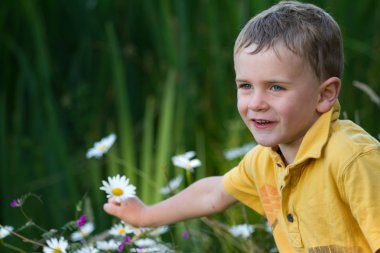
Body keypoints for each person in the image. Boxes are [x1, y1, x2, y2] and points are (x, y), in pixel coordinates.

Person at [103, 1, 380, 252]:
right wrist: (145, 216)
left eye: (275, 87)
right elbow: (214, 194)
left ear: (324, 95)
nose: (256, 103)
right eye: (245, 86)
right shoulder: (264, 161)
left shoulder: (352, 158)